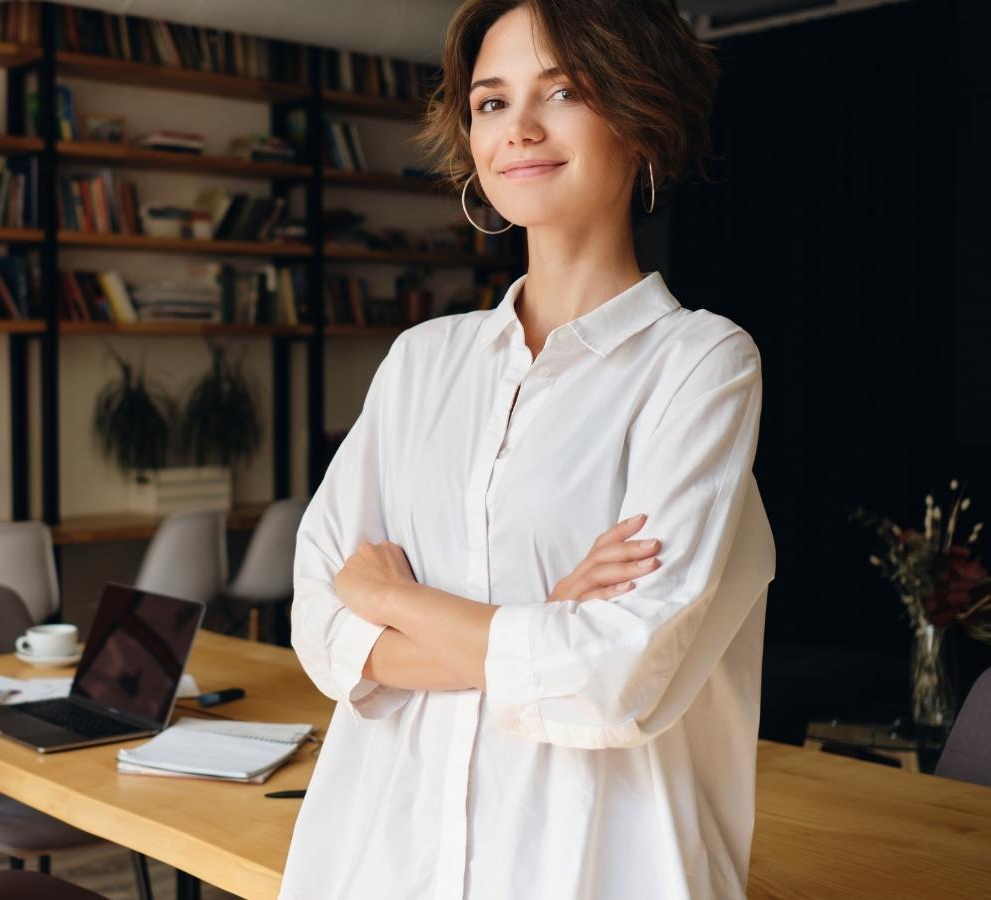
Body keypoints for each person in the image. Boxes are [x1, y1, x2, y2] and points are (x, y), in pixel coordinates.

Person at [282, 1, 776, 897]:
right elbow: (319, 622)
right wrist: (544, 617)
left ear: (640, 115)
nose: (521, 131)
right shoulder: (421, 364)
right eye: (492, 102)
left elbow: (617, 674)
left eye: (564, 92)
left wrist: (394, 599)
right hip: (382, 859)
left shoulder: (702, 364)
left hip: (588, 866)